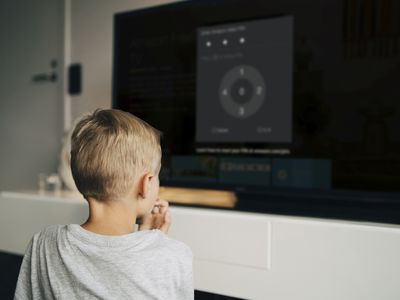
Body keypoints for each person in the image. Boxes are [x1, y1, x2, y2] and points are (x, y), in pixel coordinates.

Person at [14, 109, 194, 300]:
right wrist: (156, 244)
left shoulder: (43, 244)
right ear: (146, 183)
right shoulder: (174, 256)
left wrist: (147, 239)